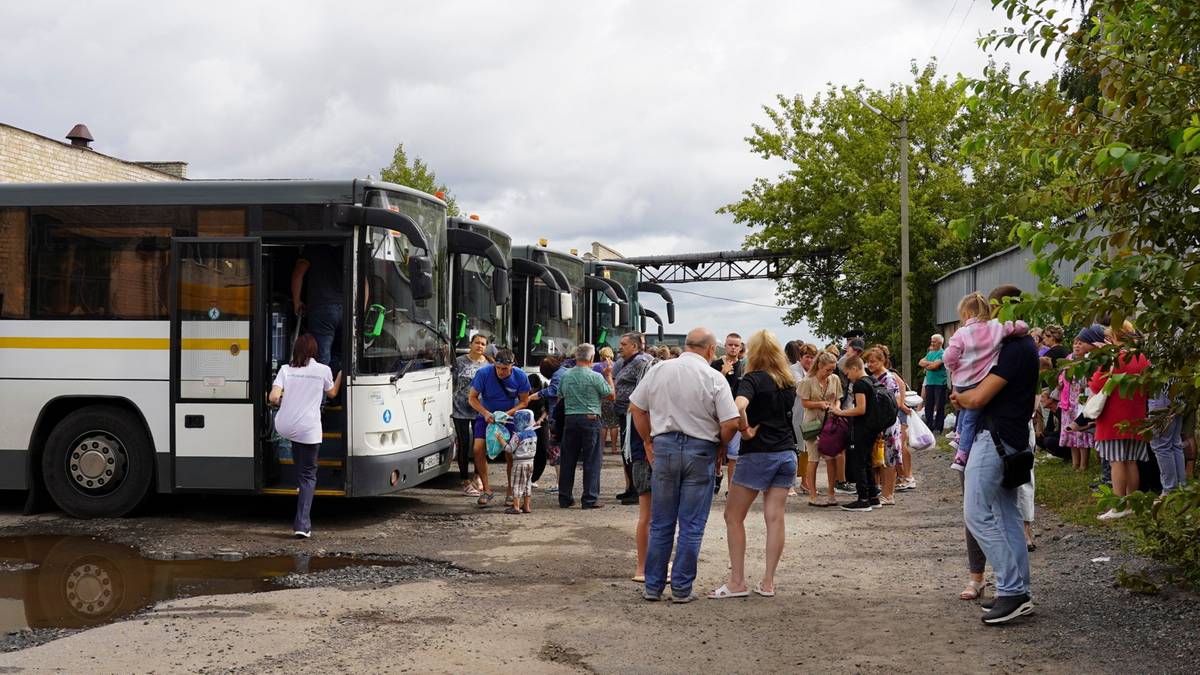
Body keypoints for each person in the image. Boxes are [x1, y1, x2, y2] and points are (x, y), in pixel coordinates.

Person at [630, 327, 739, 603]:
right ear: (712, 350)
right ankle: (681, 588)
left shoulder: (659, 370)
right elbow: (730, 422)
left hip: (664, 446)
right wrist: (721, 447)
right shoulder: (714, 377)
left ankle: (653, 586)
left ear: (688, 344)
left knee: (661, 522)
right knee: (691, 523)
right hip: (701, 449)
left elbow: (636, 408)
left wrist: (647, 441)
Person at [952, 284, 1038, 625]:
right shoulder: (1023, 344)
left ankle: (1012, 589)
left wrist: (961, 397)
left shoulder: (1014, 349)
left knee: (975, 513)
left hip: (996, 438)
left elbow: (976, 398)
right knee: (1007, 517)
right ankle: (1021, 592)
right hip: (1013, 440)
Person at [708, 330, 797, 599]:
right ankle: (768, 582)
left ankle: (737, 581)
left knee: (733, 517)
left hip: (757, 454)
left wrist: (745, 429)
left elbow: (738, 405)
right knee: (775, 518)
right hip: (786, 453)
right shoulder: (788, 381)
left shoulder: (752, 379)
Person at [269, 334, 343, 538]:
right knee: (308, 477)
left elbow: (274, 397)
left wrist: (287, 399)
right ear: (314, 351)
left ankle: (298, 484)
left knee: (299, 462)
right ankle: (302, 525)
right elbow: (332, 393)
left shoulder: (285, 369)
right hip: (308, 430)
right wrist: (341, 374)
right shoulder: (322, 370)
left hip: (285, 426)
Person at [944, 292, 1029, 472]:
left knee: (967, 415)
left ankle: (962, 453)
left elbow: (950, 355)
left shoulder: (961, 332)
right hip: (982, 379)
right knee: (970, 417)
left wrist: (953, 366)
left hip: (962, 379)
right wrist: (1022, 327)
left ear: (966, 314)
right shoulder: (996, 327)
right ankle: (960, 437)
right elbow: (1019, 327)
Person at [1091, 322, 1150, 520]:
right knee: (1131, 461)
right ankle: (1132, 503)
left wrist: (1102, 360)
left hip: (1114, 417)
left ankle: (1118, 506)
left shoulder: (1115, 358)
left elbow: (1096, 384)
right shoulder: (1142, 357)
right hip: (1136, 415)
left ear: (1115, 337)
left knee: (1116, 461)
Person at [612, 333, 655, 580]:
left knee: (651, 515)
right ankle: (645, 567)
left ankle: (647, 567)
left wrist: (648, 443)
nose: (620, 349)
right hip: (631, 420)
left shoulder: (643, 364)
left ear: (636, 347)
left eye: (624, 345)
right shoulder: (625, 363)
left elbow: (637, 401)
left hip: (636, 423)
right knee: (649, 515)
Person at [468, 348, 531, 507]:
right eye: (498, 368)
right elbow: (472, 398)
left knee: (510, 454)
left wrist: (506, 414)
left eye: (504, 369)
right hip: (486, 415)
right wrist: (485, 413)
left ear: (512, 366)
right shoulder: (484, 374)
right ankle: (486, 490)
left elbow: (524, 401)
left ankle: (511, 491)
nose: (501, 372)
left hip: (509, 419)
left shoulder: (520, 376)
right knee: (477, 449)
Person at [558, 343, 615, 509]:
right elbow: (611, 395)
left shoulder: (566, 376)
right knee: (592, 460)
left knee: (568, 460)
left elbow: (560, 395)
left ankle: (565, 497)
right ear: (591, 358)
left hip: (570, 418)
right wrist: (609, 376)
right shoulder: (595, 376)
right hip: (590, 419)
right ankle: (589, 498)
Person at [832, 355, 879, 511]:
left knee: (859, 462)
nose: (848, 377)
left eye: (847, 373)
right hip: (873, 426)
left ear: (854, 368)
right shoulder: (873, 380)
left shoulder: (859, 384)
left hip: (862, 428)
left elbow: (860, 409)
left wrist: (840, 412)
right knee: (867, 462)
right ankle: (873, 497)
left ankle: (863, 499)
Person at [864, 346, 910, 505]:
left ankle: (888, 494)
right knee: (881, 458)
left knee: (889, 458)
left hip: (887, 422)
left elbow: (895, 402)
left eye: (873, 361)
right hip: (880, 422)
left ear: (882, 360)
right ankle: (884, 491)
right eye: (868, 362)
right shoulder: (875, 377)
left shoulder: (888, 378)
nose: (869, 365)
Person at [291, 245, 344, 374]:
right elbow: (364, 283)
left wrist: (296, 302)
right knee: (344, 356)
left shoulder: (314, 247)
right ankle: (335, 389)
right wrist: (359, 313)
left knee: (321, 360)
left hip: (322, 309)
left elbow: (298, 274)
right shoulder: (348, 249)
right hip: (346, 310)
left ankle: (321, 393)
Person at [799, 352, 843, 507]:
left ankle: (831, 493)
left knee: (831, 457)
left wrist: (836, 408)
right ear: (819, 366)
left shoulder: (835, 379)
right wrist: (819, 404)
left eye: (832, 370)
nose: (830, 373)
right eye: (827, 370)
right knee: (813, 458)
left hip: (830, 424)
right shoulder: (807, 381)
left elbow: (838, 398)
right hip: (812, 424)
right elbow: (804, 403)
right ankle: (812, 494)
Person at [452, 334, 491, 496]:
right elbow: (452, 382)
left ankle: (478, 476)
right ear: (471, 344)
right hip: (460, 408)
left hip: (480, 410)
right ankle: (465, 480)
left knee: (479, 445)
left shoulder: (488, 365)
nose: (479, 346)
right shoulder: (460, 362)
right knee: (464, 444)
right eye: (477, 343)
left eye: (483, 344)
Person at [1060, 328, 1101, 471]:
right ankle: (1074, 463)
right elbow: (1062, 378)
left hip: (1082, 400)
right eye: (1075, 343)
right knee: (1071, 432)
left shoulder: (1089, 361)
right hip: (1068, 400)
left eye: (1080, 343)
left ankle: (1084, 464)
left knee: (1082, 433)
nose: (1077, 346)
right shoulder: (1069, 359)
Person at [713, 333, 747, 491]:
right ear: (725, 346)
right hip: (717, 414)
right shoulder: (715, 364)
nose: (733, 348)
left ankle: (731, 489)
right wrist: (723, 373)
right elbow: (708, 388)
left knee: (734, 454)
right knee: (715, 450)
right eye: (730, 345)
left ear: (740, 348)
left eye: (736, 345)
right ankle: (715, 477)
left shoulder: (744, 366)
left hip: (736, 414)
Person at [502, 410, 539, 514]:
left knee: (517, 484)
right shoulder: (534, 433)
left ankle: (516, 507)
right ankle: (526, 506)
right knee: (527, 484)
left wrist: (501, 440)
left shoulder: (518, 435)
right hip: (531, 462)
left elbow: (509, 449)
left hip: (519, 463)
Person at [919, 334, 948, 437]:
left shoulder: (943, 353)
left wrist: (928, 365)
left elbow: (935, 366)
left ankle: (938, 428)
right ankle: (929, 426)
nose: (932, 343)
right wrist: (929, 364)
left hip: (940, 383)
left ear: (940, 343)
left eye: (934, 341)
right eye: (931, 341)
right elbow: (920, 362)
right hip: (930, 383)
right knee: (928, 405)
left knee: (939, 405)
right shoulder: (930, 353)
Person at [596, 346, 622, 457]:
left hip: (602, 397)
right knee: (614, 424)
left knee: (603, 423)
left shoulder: (597, 366)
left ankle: (601, 448)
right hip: (614, 394)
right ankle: (614, 447)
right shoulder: (617, 365)